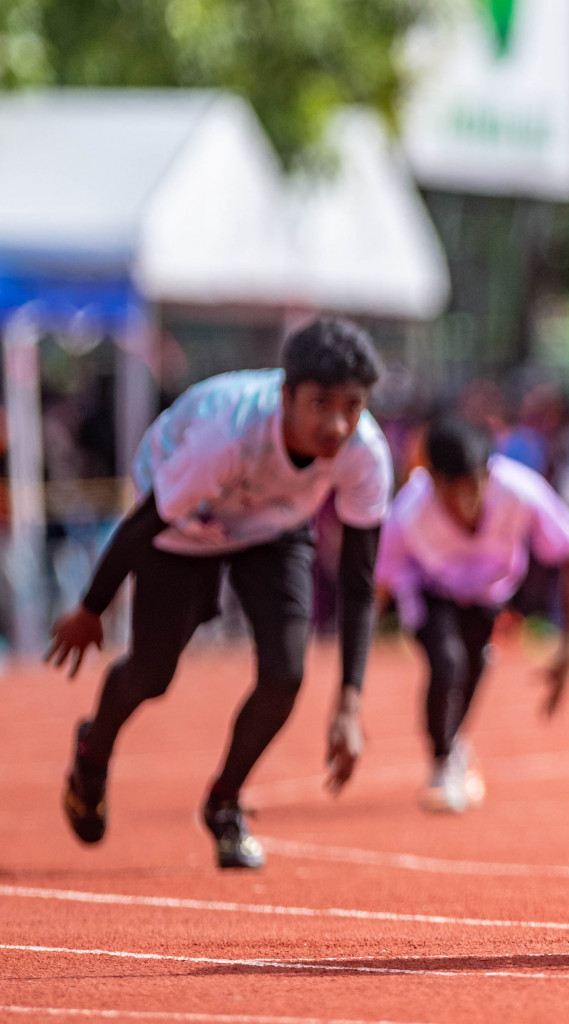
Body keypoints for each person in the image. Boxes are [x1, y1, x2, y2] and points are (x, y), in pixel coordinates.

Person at [47, 318, 393, 869]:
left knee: (285, 675)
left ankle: (225, 802)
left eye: (352, 406)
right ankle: (93, 750)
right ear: (285, 396)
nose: (336, 423)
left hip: (274, 527)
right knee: (152, 675)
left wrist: (350, 702)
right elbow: (143, 523)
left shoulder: (365, 452)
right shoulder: (226, 433)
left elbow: (357, 581)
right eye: (320, 403)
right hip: (181, 524)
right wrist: (91, 607)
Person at [376, 414, 569, 813]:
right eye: (451, 492)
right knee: (446, 662)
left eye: (473, 488)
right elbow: (381, 583)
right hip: (429, 591)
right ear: (431, 480)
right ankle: (442, 764)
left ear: (487, 474)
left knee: (475, 663)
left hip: (489, 592)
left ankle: (454, 742)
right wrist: (350, 688)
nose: (465, 503)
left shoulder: (520, 490)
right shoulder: (407, 513)